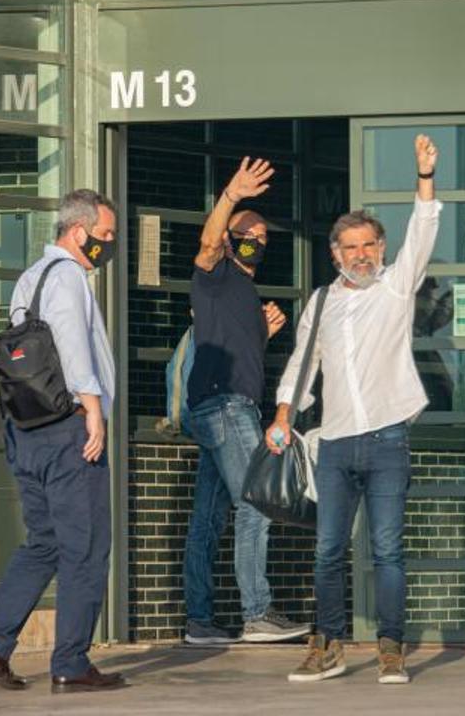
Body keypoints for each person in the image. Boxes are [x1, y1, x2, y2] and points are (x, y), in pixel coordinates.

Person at [267, 135, 442, 685]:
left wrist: (424, 178)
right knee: (327, 552)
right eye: (350, 247)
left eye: (369, 245)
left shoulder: (396, 289)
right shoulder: (320, 303)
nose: (361, 254)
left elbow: (424, 231)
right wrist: (282, 415)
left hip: (388, 438)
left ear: (382, 249)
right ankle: (329, 646)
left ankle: (391, 648)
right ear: (335, 253)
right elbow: (301, 365)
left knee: (388, 551)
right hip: (337, 443)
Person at [0, 189, 126, 694]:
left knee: (44, 543)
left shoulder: (29, 278)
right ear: (78, 233)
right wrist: (93, 410)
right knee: (85, 547)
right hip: (68, 430)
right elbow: (73, 345)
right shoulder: (71, 277)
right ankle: (71, 661)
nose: (109, 244)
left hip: (26, 429)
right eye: (106, 235)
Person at [181, 157, 311, 645]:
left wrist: (264, 332)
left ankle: (199, 622)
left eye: (264, 234)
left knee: (210, 518)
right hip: (226, 408)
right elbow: (209, 242)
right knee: (256, 505)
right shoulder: (215, 274)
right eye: (248, 231)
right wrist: (232, 196)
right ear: (233, 239)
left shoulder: (243, 292)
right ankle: (257, 613)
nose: (257, 238)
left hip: (224, 408)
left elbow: (237, 352)